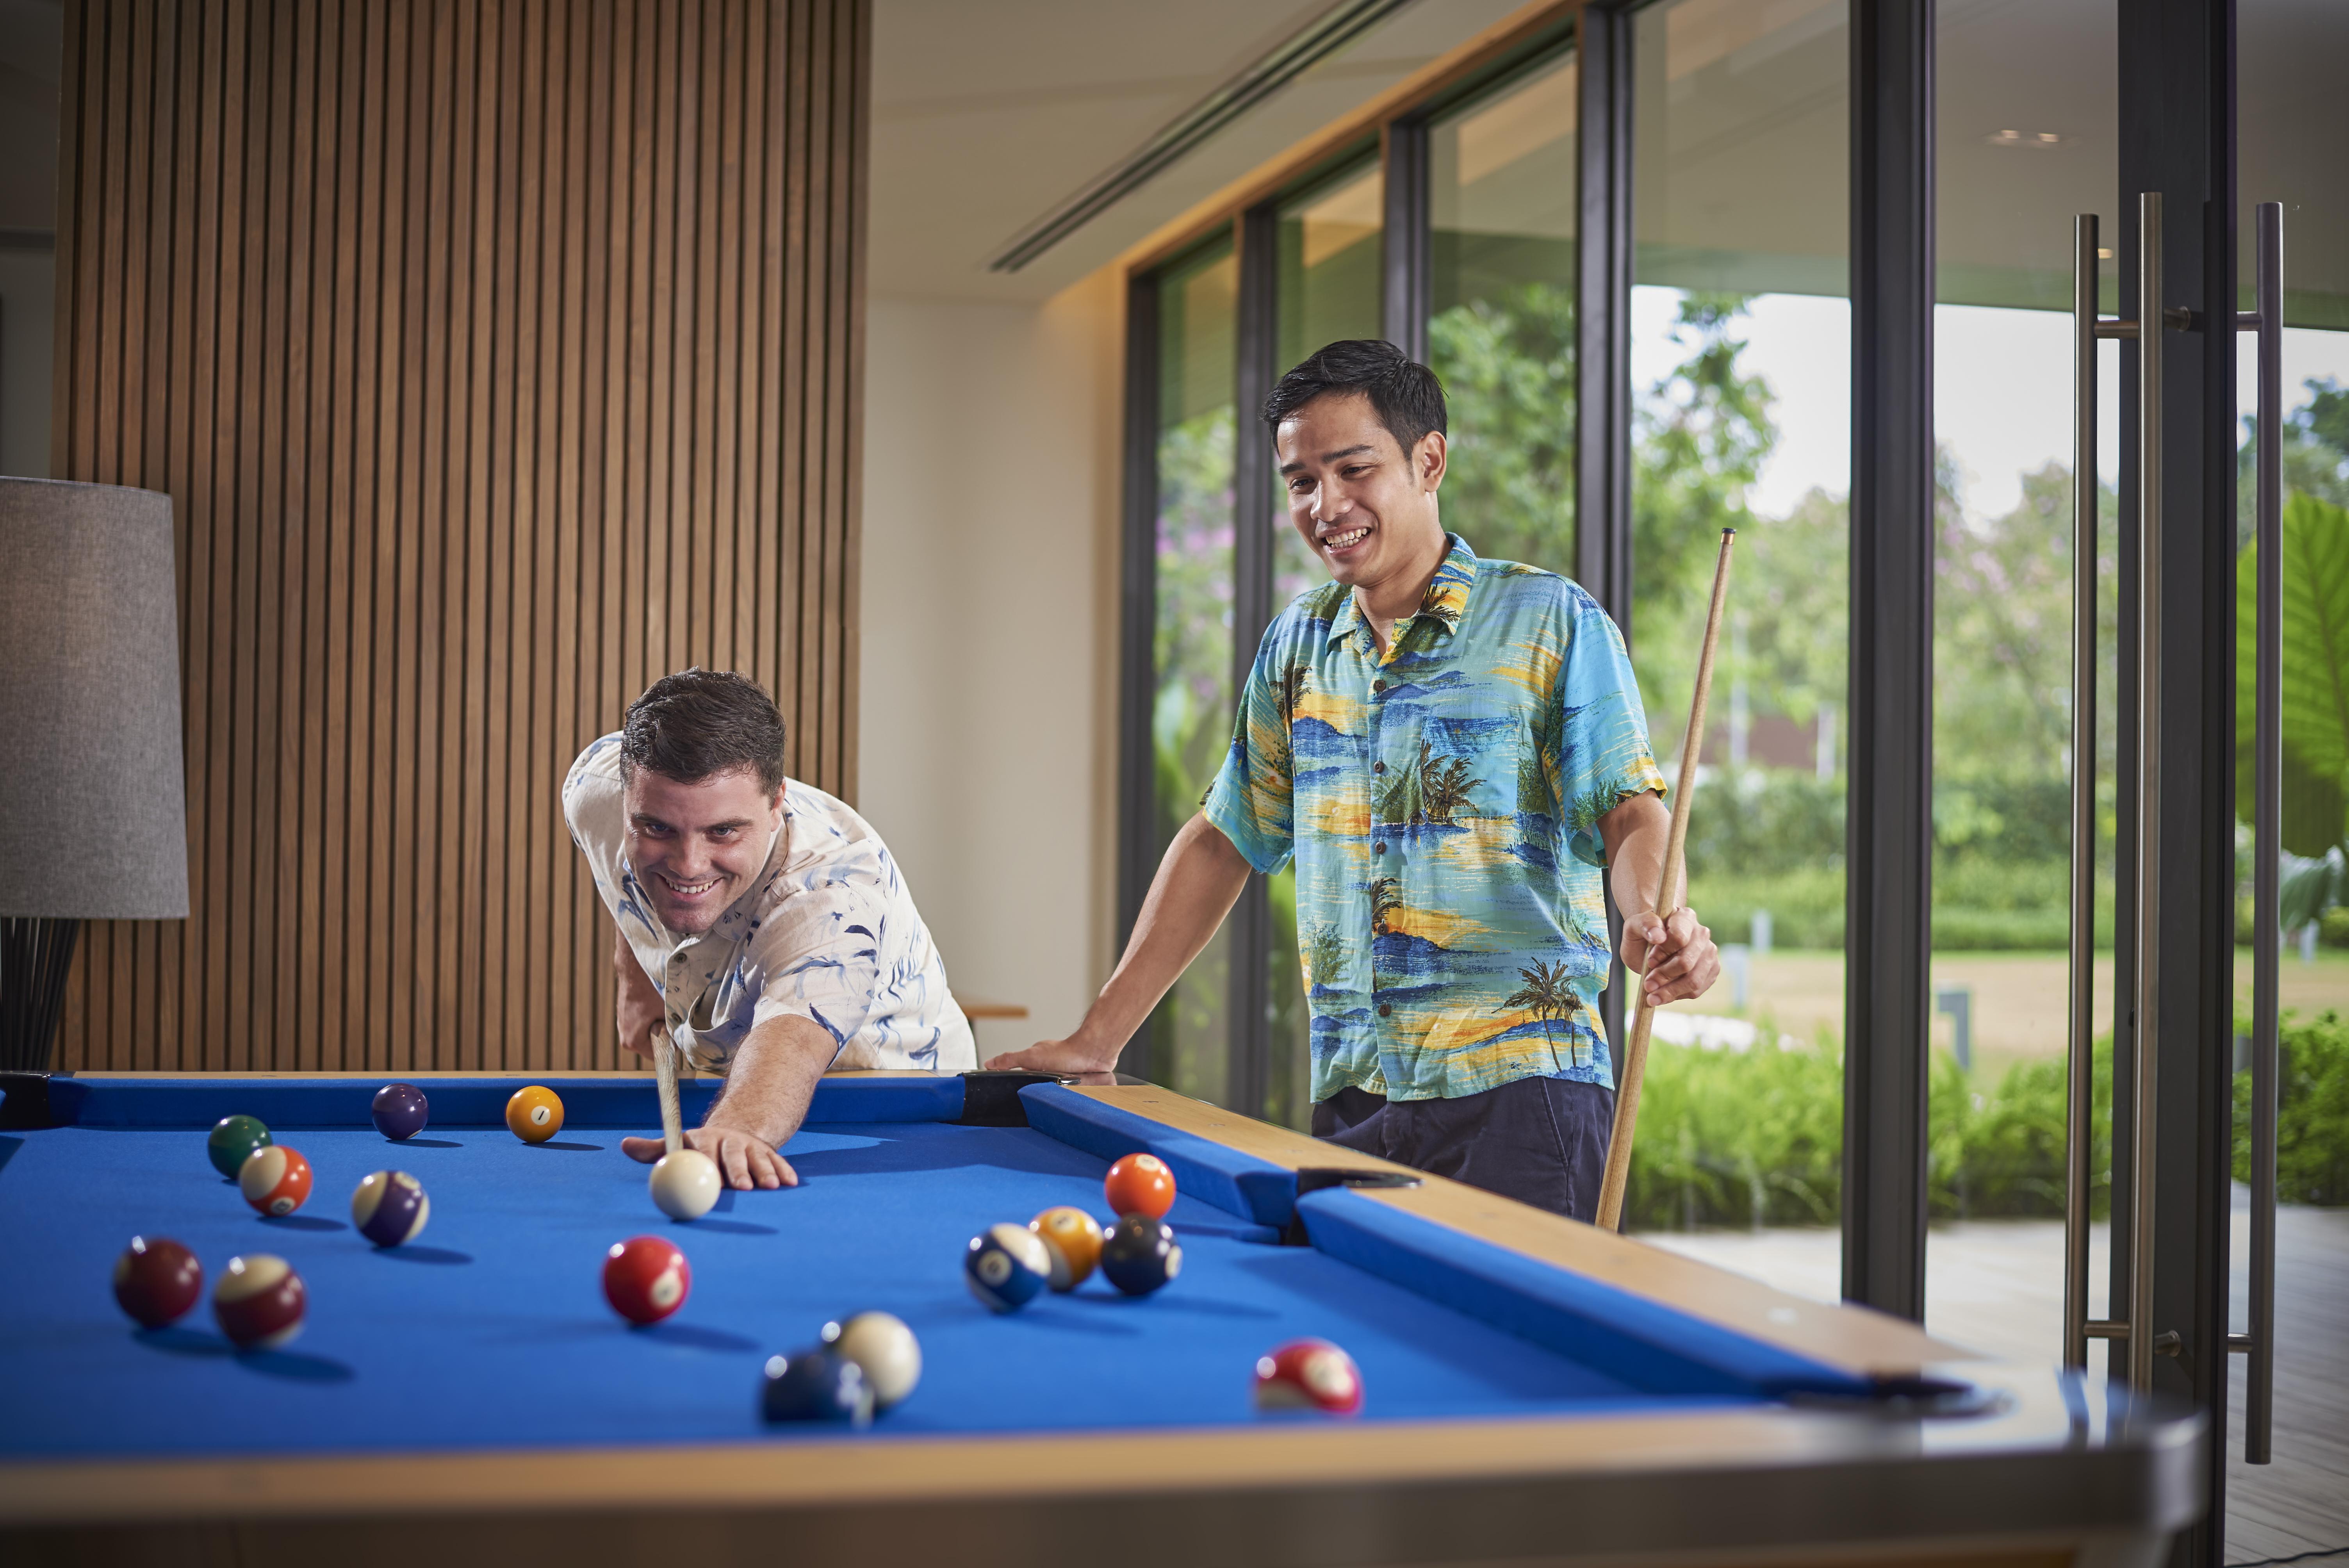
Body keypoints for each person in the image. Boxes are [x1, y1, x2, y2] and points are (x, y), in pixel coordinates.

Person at [991, 339, 1719, 1220]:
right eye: (1300, 481)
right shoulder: (1299, 643)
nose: (1324, 505)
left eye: (1352, 469)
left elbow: (1631, 811)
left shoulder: (1548, 619)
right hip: (1354, 1099)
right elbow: (1226, 838)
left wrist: (1651, 914)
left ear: (1428, 460)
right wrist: (1094, 1036)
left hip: (1524, 1098)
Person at [564, 669, 973, 1190]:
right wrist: (635, 970)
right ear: (625, 799)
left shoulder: (832, 899)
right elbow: (616, 870)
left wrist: (738, 1127)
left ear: (776, 803)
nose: (689, 865)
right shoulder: (593, 790)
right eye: (658, 827)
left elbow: (793, 1045)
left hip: (899, 1101)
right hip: (739, 1075)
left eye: (724, 831)